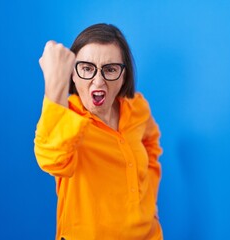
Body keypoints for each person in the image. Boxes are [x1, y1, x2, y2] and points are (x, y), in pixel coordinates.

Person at [34, 23, 163, 240]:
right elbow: (51, 159)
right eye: (86, 68)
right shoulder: (68, 119)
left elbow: (152, 144)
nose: (98, 80)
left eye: (110, 69)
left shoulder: (137, 108)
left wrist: (148, 201)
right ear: (73, 74)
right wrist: (55, 81)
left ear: (123, 76)